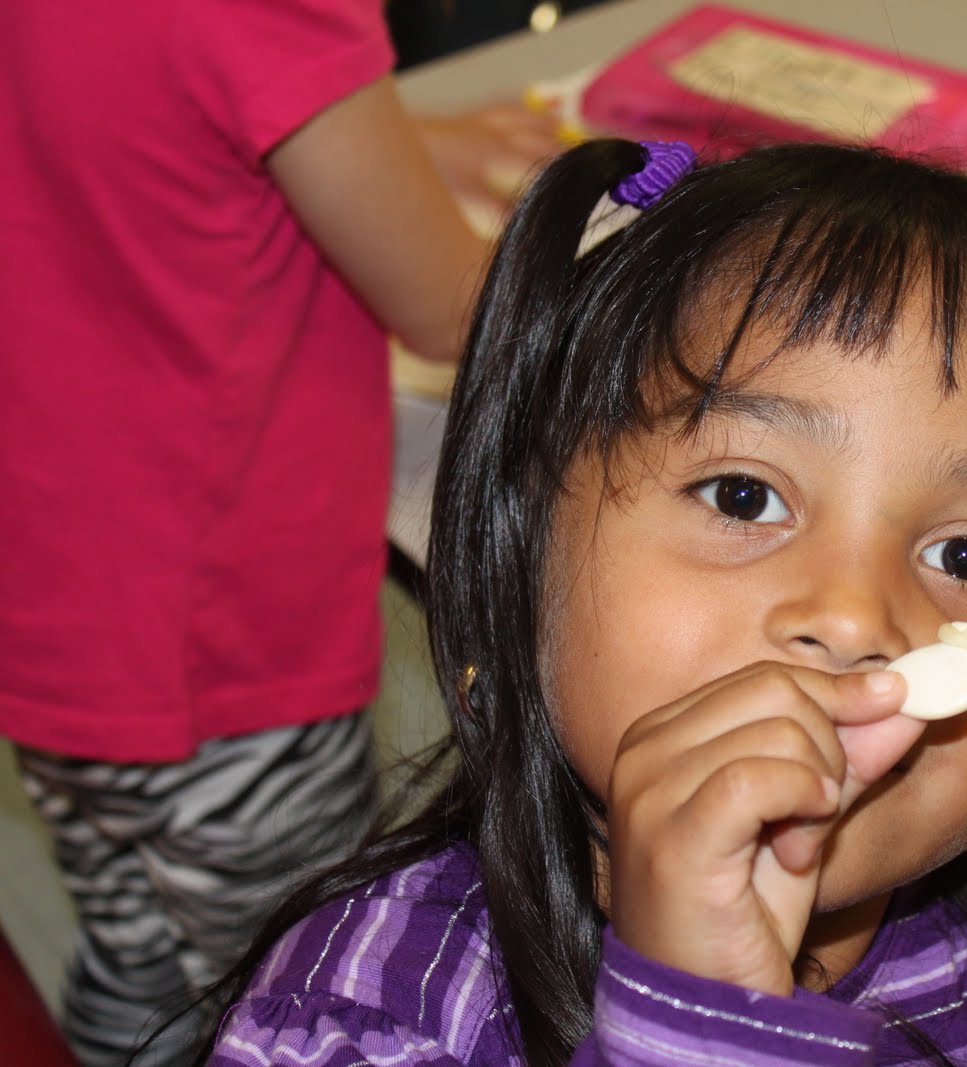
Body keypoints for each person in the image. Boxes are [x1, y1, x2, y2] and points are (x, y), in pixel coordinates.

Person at [202, 138, 967, 1066]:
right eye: (744, 495)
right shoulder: (367, 1015)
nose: (857, 615)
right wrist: (699, 1018)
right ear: (523, 553)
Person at [0, 2, 560, 1063]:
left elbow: (117, 120)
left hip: (53, 615)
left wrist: (385, 137)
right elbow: (451, 304)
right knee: (298, 982)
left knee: (138, 946)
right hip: (218, 654)